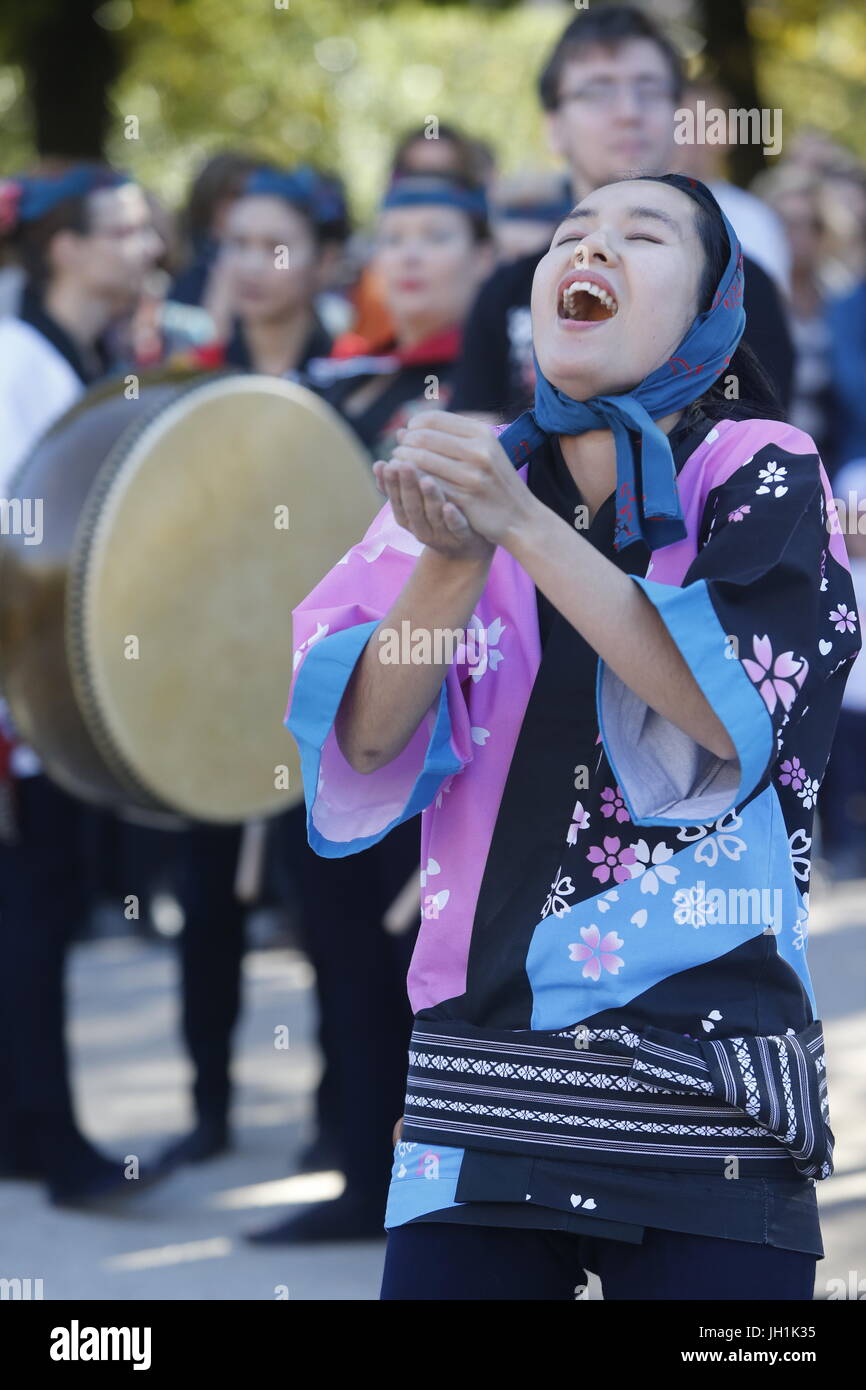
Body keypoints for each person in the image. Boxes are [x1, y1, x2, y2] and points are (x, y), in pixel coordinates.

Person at [285, 173, 860, 1301]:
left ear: (708, 316)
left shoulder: (758, 467)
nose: (590, 248)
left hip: (713, 1084)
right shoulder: (472, 483)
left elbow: (730, 707)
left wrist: (518, 527)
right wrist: (452, 559)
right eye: (570, 234)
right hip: (482, 1075)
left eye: (641, 235)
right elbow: (358, 740)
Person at [0, 164, 166, 1207]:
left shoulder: (83, 353)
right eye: (126, 229)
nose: (148, 247)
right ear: (65, 246)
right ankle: (51, 1141)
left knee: (39, 911)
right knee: (30, 912)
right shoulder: (17, 358)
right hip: (24, 689)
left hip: (50, 684)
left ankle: (29, 1130)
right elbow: (29, 541)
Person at [449, 5, 795, 423]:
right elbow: (470, 439)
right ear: (554, 128)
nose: (629, 112)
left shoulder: (738, 285)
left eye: (649, 90)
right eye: (598, 91)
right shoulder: (505, 291)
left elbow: (752, 455)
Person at [306, 172, 495, 463]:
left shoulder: (495, 381)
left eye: (436, 237)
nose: (410, 255)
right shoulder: (348, 368)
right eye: (392, 239)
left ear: (483, 258)